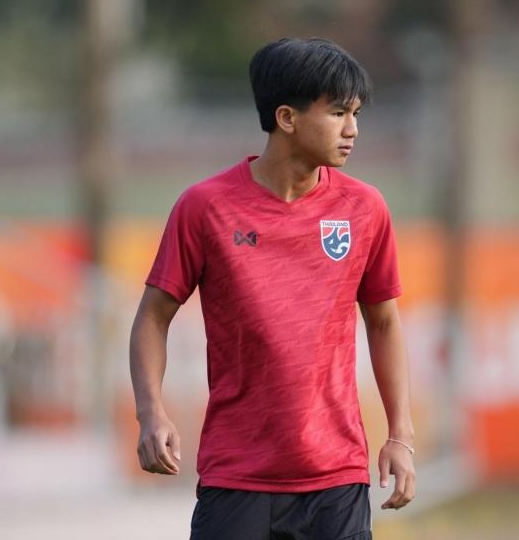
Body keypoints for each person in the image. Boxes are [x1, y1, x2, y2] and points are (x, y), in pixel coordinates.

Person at [130, 37, 416, 540]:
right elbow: (153, 316)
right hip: (237, 479)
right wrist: (151, 412)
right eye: (338, 113)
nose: (353, 129)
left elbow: (384, 323)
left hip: (336, 480)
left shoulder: (365, 209)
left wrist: (401, 436)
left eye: (356, 114)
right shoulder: (205, 208)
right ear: (287, 118)